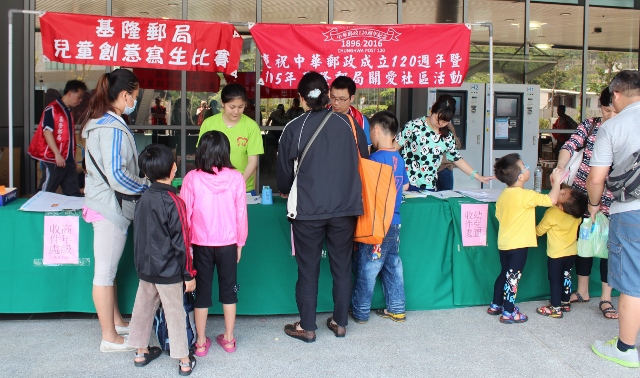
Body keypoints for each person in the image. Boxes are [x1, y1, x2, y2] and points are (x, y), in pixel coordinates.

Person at [277, 71, 369, 342]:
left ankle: (308, 326)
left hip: (308, 209)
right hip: (345, 208)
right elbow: (364, 162)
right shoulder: (351, 125)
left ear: (301, 98)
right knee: (342, 266)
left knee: (308, 268)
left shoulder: (294, 127)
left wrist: (285, 190)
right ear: (327, 95)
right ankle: (340, 322)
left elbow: (284, 174)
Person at [78, 69, 150, 352]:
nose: (134, 100)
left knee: (110, 271)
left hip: (104, 205)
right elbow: (117, 176)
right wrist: (146, 186)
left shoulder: (103, 122)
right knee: (104, 274)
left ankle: (117, 322)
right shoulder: (111, 127)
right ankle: (110, 337)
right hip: (109, 208)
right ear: (123, 95)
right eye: (134, 95)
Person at [128, 144, 197, 375]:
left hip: (146, 268)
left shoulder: (142, 199)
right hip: (169, 272)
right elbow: (183, 242)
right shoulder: (174, 202)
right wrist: (188, 274)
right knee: (175, 313)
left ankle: (140, 352)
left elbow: (138, 236)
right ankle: (184, 361)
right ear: (174, 168)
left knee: (142, 309)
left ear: (145, 173)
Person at [589, 70, 640, 368]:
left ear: (616, 94)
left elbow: (596, 179)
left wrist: (594, 206)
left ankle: (624, 349)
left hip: (630, 212)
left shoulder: (613, 127)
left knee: (632, 283)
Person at [181, 131, 248, 356]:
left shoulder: (192, 178)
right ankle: (229, 339)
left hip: (200, 244)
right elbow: (241, 214)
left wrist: (187, 248)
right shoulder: (236, 177)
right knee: (230, 291)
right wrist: (240, 243)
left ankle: (200, 342)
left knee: (201, 294)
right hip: (228, 243)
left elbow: (185, 215)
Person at [556, 88, 619, 319]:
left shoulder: (625, 128)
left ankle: (606, 297)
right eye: (606, 110)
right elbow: (569, 146)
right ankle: (582, 291)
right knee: (584, 243)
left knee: (607, 248)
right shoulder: (591, 125)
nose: (611, 115)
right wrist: (561, 167)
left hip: (612, 199)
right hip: (583, 195)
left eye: (614, 111)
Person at [488, 153, 563, 324]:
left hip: (505, 244)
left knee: (504, 273)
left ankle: (496, 304)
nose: (528, 168)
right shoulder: (526, 195)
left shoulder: (504, 195)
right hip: (519, 245)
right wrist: (557, 183)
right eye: (525, 166)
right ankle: (508, 312)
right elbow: (551, 200)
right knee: (513, 277)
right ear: (521, 177)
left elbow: (499, 216)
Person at [351, 111, 409, 324]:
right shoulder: (398, 159)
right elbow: (405, 185)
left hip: (376, 224)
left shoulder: (373, 160)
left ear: (375, 130)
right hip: (394, 222)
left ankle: (360, 311)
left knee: (368, 268)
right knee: (393, 265)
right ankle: (397, 309)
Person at [395, 95, 492, 191]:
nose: (440, 123)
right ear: (432, 110)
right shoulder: (413, 126)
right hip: (407, 183)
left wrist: (477, 176)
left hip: (429, 186)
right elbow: (393, 149)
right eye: (438, 118)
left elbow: (456, 158)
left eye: (445, 121)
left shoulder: (447, 135)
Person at [197, 84, 264, 194]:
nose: (236, 112)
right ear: (222, 103)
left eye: (241, 107)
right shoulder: (209, 124)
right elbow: (202, 156)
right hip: (213, 188)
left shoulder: (252, 127)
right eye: (232, 107)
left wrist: (239, 183)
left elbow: (253, 161)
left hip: (243, 188)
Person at [535, 188, 588, 319]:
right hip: (571, 253)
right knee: (566, 277)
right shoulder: (576, 216)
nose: (561, 191)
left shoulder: (552, 213)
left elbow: (539, 231)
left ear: (561, 207)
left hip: (556, 255)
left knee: (555, 280)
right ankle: (565, 302)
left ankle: (555, 308)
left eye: (563, 194)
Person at [28, 79, 87, 196]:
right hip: (54, 160)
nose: (80, 101)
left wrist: (72, 158)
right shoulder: (52, 109)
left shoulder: (68, 111)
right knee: (45, 192)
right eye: (79, 97)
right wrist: (57, 154)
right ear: (70, 93)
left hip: (68, 161)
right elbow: (47, 132)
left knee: (73, 193)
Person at [330, 76, 372, 147]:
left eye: (341, 99)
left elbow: (366, 150)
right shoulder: (322, 115)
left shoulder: (360, 120)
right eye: (333, 97)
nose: (336, 103)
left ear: (352, 98)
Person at [436, 123, 461, 191]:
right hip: (445, 166)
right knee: (447, 193)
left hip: (435, 167)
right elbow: (456, 144)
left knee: (438, 193)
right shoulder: (448, 126)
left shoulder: (430, 127)